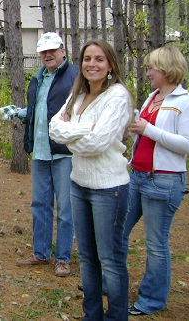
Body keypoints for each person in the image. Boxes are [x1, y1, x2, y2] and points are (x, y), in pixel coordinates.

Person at [49, 39, 134, 321]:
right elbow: (53, 128)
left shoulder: (118, 96)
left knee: (110, 259)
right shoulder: (78, 94)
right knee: (86, 257)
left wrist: (72, 135)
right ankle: (92, 315)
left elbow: (97, 144)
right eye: (87, 59)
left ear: (110, 65)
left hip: (109, 189)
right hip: (79, 183)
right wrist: (85, 129)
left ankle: (116, 316)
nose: (92, 64)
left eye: (99, 59)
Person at [0, 32, 78, 277]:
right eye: (43, 51)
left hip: (64, 154)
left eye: (52, 50)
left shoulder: (74, 76)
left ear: (63, 50)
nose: (48, 55)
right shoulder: (38, 78)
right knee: (39, 205)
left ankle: (62, 258)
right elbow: (39, 109)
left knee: (65, 208)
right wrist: (18, 112)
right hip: (40, 152)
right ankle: (41, 254)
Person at [125, 46, 189, 317]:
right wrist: (135, 129)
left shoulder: (186, 102)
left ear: (167, 70)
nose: (147, 73)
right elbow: (143, 137)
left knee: (156, 244)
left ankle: (152, 299)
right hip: (137, 176)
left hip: (164, 182)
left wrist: (149, 130)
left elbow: (188, 145)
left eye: (151, 68)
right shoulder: (152, 98)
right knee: (117, 232)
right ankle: (113, 283)